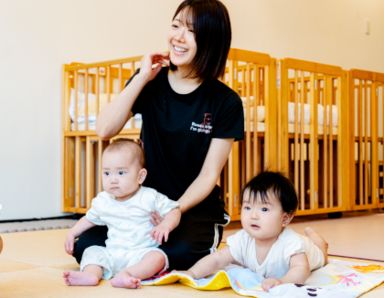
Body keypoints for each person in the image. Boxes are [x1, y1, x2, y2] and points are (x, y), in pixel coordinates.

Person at [73, 0, 244, 270]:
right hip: (143, 202)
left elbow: (209, 175)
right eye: (176, 25)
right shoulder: (151, 82)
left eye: (190, 31)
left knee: (182, 250)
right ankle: (142, 259)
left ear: (211, 39)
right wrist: (141, 78)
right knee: (84, 243)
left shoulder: (226, 102)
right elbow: (104, 129)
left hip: (190, 207)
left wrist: (175, 210)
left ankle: (147, 259)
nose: (178, 36)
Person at [177, 171, 328, 292]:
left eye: (264, 209)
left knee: (321, 255)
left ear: (285, 219)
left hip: (310, 252)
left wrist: (282, 282)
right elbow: (217, 259)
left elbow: (301, 268)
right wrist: (192, 273)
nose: (253, 215)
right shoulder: (242, 238)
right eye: (247, 207)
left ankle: (320, 243)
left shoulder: (292, 243)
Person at [63, 139, 181, 288]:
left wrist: (165, 225)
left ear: (140, 176)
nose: (113, 179)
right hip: (112, 253)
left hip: (140, 254)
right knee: (92, 251)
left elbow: (174, 210)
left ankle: (128, 275)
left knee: (158, 258)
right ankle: (91, 274)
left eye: (120, 172)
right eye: (106, 173)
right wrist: (72, 233)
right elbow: (89, 219)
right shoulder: (104, 200)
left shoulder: (149, 197)